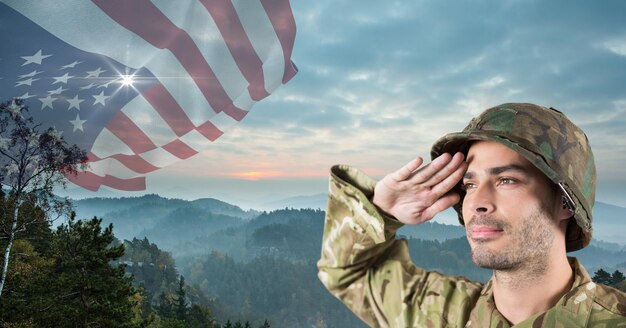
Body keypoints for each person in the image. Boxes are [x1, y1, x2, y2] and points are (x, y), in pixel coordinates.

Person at [317, 103, 626, 327]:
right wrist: (379, 212)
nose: (477, 202)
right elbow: (347, 272)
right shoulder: (442, 314)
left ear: (565, 203)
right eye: (469, 184)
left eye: (506, 180)